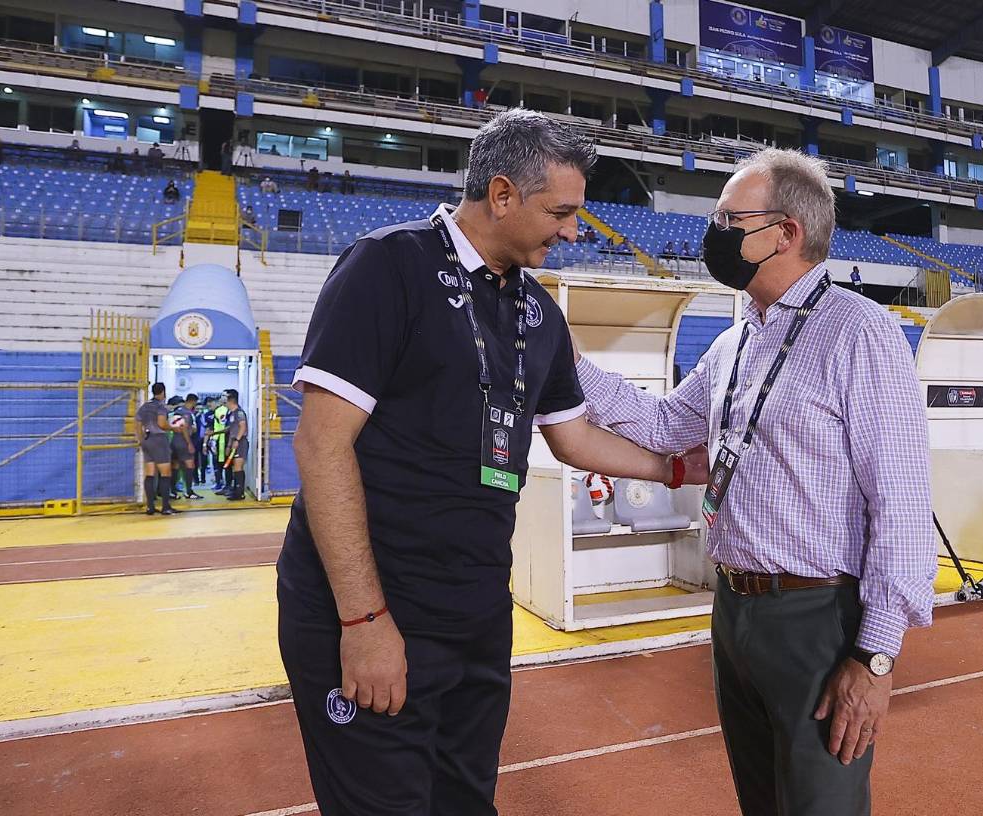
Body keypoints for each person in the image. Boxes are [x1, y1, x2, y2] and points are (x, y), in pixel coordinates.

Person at [277, 109, 706, 816]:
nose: (573, 231)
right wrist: (362, 622)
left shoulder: (538, 313)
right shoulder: (389, 266)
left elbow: (573, 440)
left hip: (476, 610)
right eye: (561, 211)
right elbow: (321, 446)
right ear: (502, 194)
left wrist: (677, 472)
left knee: (467, 801)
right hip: (376, 606)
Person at [573, 148, 936, 815]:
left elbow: (904, 503)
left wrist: (876, 659)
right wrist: (560, 358)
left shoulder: (860, 333)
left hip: (818, 618)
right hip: (734, 609)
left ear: (787, 233)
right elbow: (659, 426)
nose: (714, 234)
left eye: (729, 219)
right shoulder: (737, 337)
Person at [135, 383, 175, 515]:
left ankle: (150, 506)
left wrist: (141, 440)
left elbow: (138, 424)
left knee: (150, 473)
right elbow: (162, 424)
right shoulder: (160, 407)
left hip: (147, 440)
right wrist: (174, 428)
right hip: (158, 439)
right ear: (163, 392)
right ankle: (165, 506)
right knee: (165, 473)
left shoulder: (144, 407)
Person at [170, 393, 203, 500]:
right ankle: (188, 491)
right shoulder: (187, 413)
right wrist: (189, 443)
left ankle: (172, 491)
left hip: (174, 441)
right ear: (193, 401)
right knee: (190, 465)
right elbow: (184, 428)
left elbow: (174, 426)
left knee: (175, 465)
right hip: (183, 442)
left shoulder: (177, 411)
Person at [223, 389, 249, 501]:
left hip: (240, 442)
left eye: (225, 397)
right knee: (234, 467)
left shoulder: (239, 412)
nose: (223, 399)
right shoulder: (231, 414)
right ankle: (236, 490)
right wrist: (229, 446)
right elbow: (231, 431)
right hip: (234, 442)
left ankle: (240, 493)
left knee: (238, 467)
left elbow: (243, 427)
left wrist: (237, 441)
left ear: (231, 399)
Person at [209, 403, 229, 493]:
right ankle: (219, 483)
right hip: (218, 440)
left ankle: (223, 484)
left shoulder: (222, 410)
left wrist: (213, 434)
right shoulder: (219, 410)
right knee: (217, 463)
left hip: (222, 440)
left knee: (222, 464)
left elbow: (224, 424)